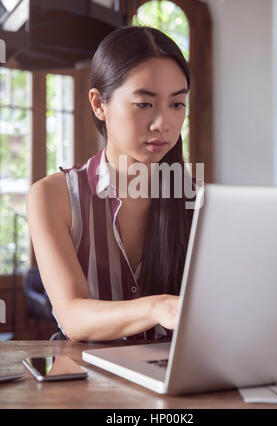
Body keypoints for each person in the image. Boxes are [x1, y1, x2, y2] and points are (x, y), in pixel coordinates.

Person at [26, 25, 197, 342]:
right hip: (88, 383)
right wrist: (157, 308)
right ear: (98, 104)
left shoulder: (198, 202)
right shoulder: (52, 197)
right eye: (144, 104)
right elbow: (73, 316)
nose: (164, 124)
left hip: (176, 383)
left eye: (177, 104)